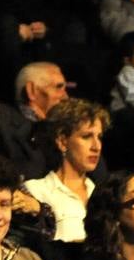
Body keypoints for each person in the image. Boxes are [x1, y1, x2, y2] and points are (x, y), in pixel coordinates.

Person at [23, 98, 108, 244]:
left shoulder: (102, 193)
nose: (96, 146)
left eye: (99, 137)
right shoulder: (37, 191)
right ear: (62, 141)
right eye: (87, 136)